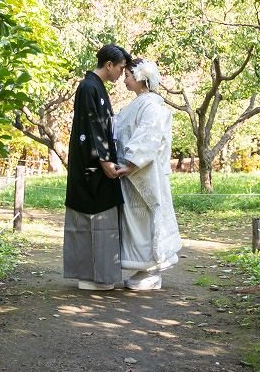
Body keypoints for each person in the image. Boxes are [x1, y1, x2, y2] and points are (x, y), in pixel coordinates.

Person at [63, 44, 132, 290]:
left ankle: (99, 274)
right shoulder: (88, 87)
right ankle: (90, 276)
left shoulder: (96, 87)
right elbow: (90, 126)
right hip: (90, 165)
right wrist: (103, 160)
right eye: (121, 68)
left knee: (102, 217)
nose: (122, 74)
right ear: (109, 64)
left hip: (98, 162)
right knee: (88, 216)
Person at [113, 58, 182, 290]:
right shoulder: (139, 103)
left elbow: (150, 136)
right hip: (133, 176)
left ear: (141, 77)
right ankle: (143, 269)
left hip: (144, 173)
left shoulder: (151, 105)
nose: (125, 79)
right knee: (136, 222)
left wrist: (132, 163)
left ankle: (151, 271)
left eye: (129, 76)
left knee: (147, 220)